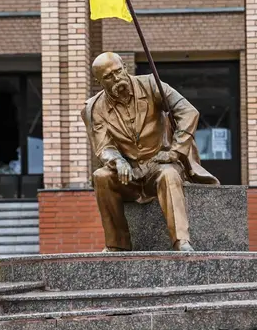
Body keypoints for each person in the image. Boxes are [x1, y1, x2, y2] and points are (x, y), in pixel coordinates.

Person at [81, 52, 219, 252]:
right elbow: (103, 147)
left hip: (159, 164)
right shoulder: (93, 108)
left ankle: (181, 241)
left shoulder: (152, 84)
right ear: (99, 81)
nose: (117, 78)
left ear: (125, 67)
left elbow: (188, 112)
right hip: (128, 173)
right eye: (109, 76)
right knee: (100, 176)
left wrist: (175, 151)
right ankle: (117, 244)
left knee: (169, 175)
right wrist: (118, 161)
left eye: (118, 71)